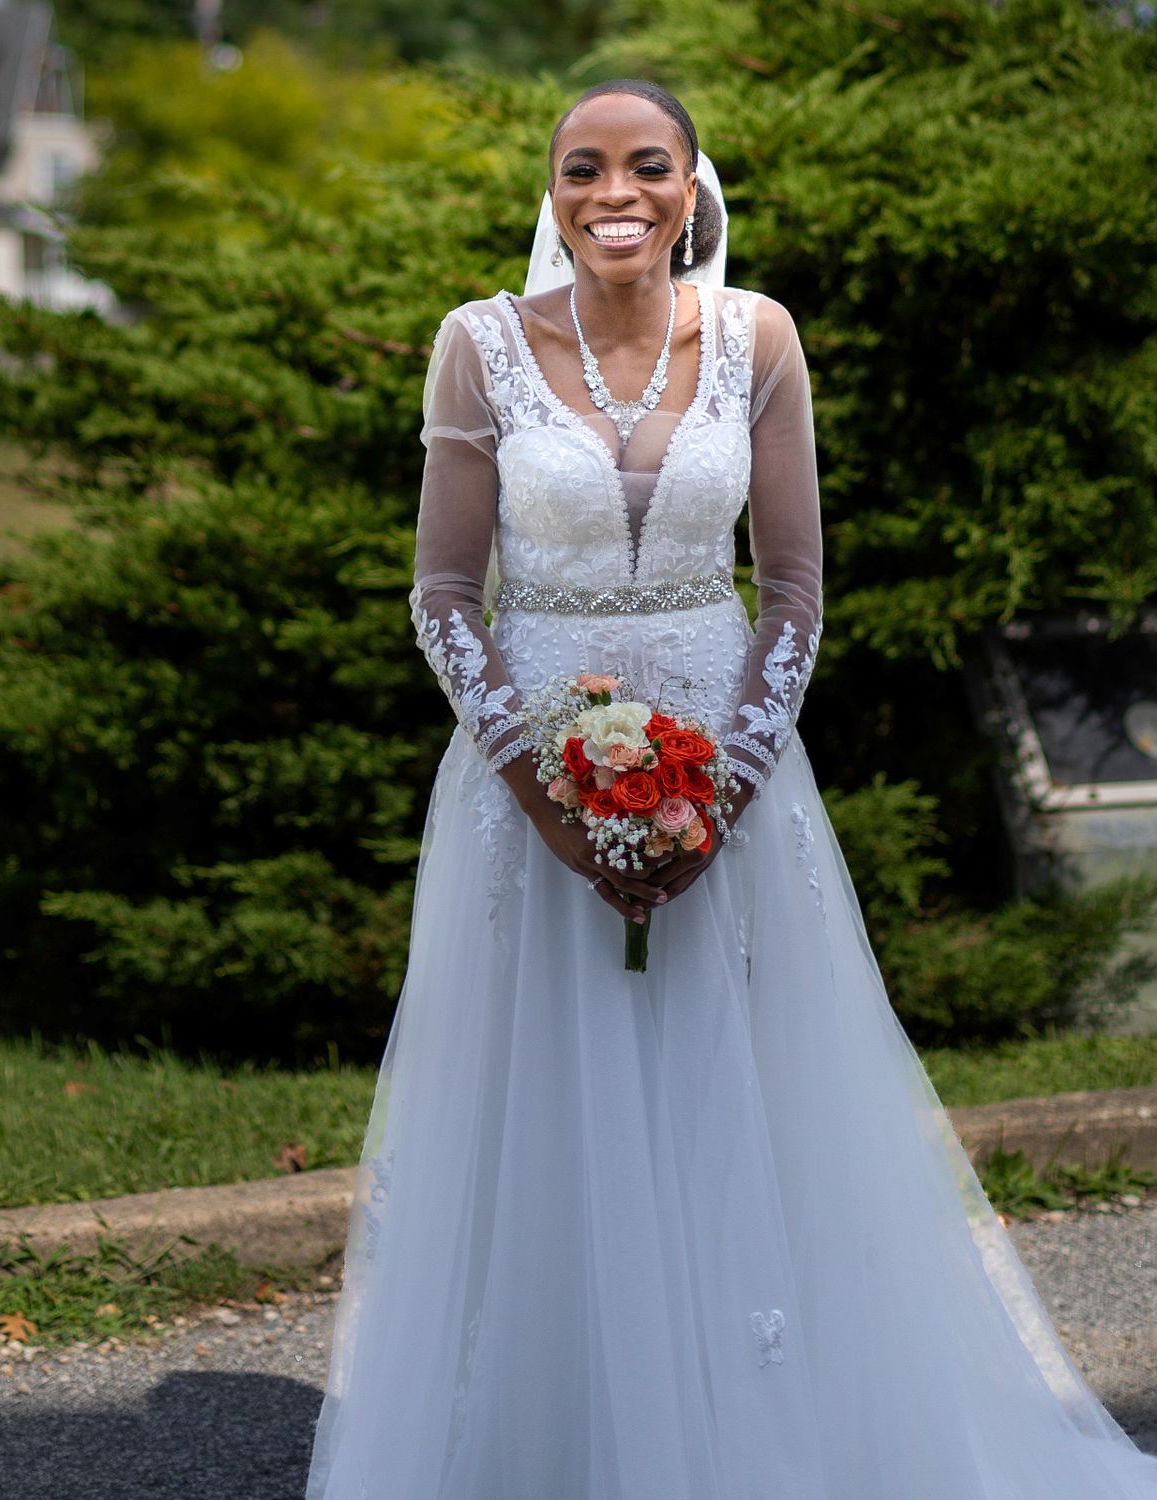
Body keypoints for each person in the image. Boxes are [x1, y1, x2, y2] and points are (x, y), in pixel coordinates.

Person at [305, 80, 1157, 1500]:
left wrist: (729, 785)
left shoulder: (760, 336)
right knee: (546, 1115)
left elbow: (798, 591)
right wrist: (540, 796)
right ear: (554, 191)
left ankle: (760, 1439)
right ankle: (559, 1438)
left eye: (648, 165)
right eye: (584, 168)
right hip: (527, 798)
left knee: (739, 1105)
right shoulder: (478, 348)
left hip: (729, 794)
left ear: (695, 186)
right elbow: (446, 595)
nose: (615, 192)